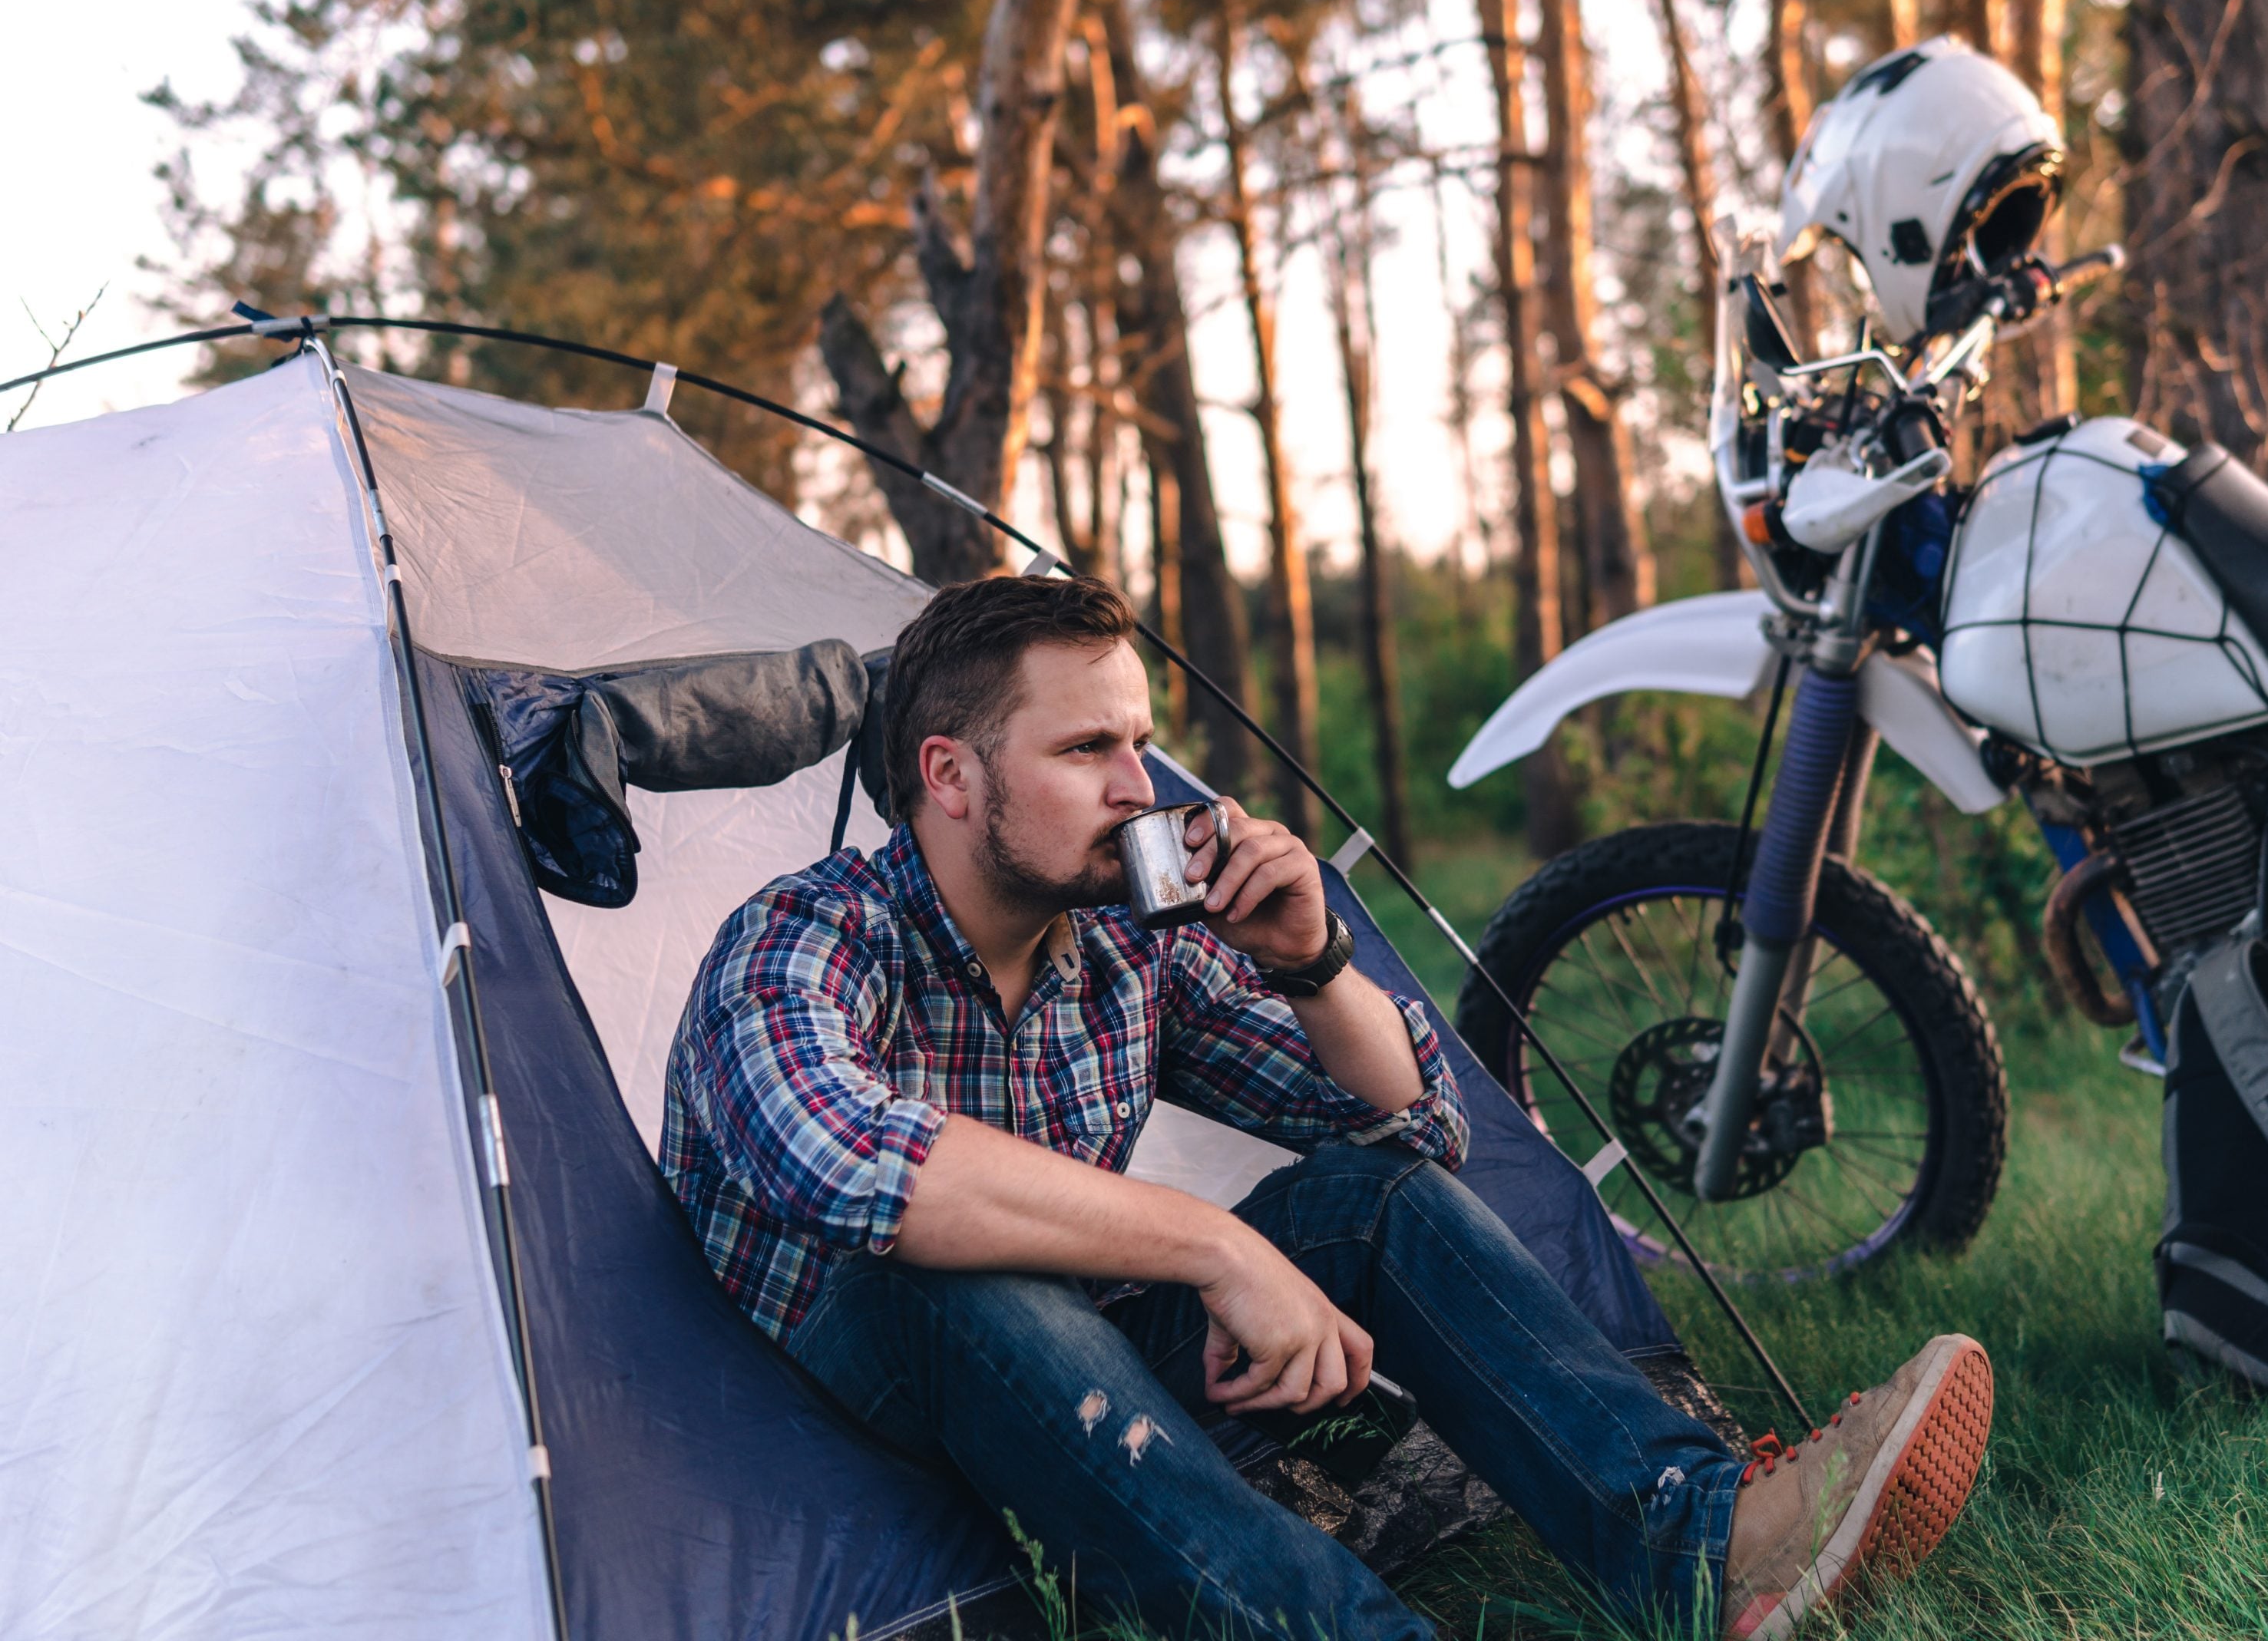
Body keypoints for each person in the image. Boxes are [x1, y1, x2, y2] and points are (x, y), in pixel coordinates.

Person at [663, 574, 1992, 1639]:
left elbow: (1418, 1138)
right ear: (948, 777)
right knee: (961, 1282)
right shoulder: (806, 938)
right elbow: (848, 1165)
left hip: (1096, 1361)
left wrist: (1311, 962)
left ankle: (1697, 1545)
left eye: (1138, 742)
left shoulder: (1128, 944)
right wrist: (1219, 1249)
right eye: (1087, 749)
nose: (1142, 787)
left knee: (1372, 1200)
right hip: (862, 1392)